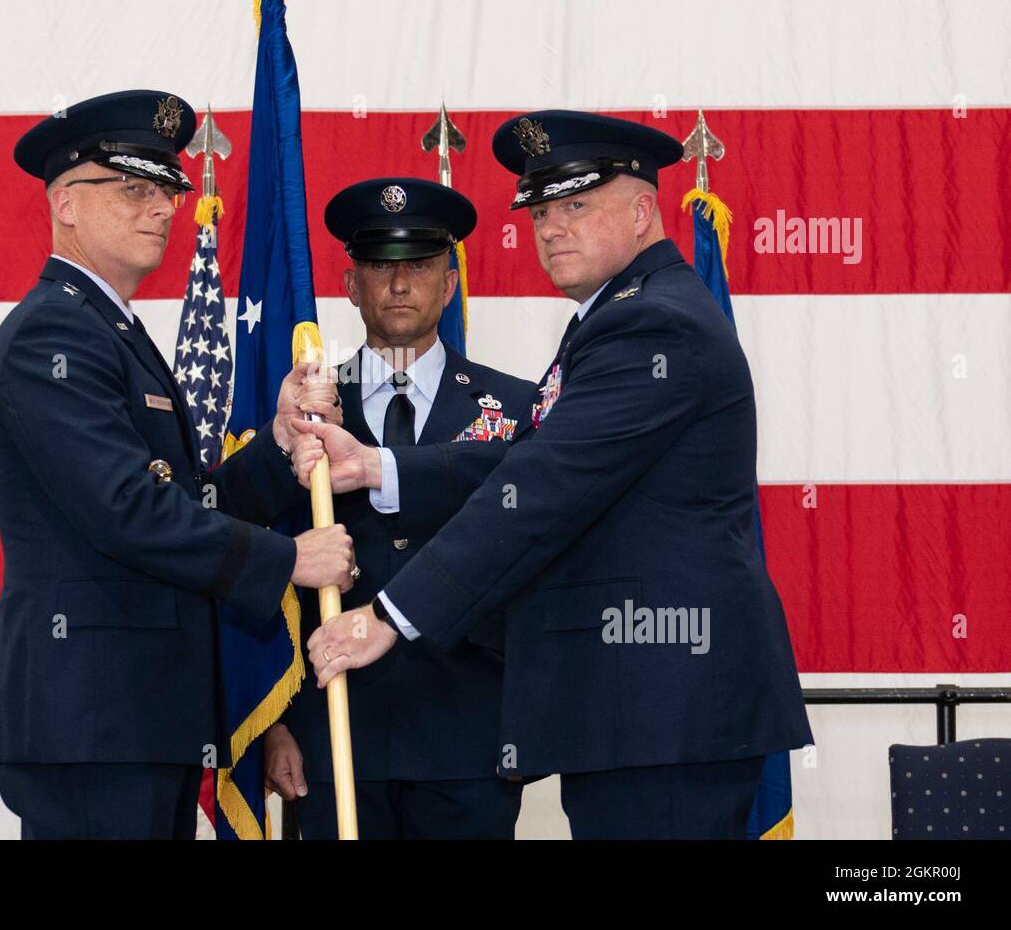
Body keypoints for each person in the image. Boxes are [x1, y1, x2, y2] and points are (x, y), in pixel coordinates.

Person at [294, 111, 813, 840]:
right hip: (635, 711)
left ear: (642, 212)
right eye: (540, 212)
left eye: (575, 205)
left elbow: (538, 490)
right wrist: (379, 465)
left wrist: (388, 617)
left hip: (662, 708)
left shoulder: (652, 325)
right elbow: (530, 459)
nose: (551, 228)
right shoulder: (617, 317)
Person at [0, 90, 354, 839]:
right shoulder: (54, 332)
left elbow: (189, 496)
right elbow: (126, 509)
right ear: (66, 204)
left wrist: (275, 447)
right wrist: (287, 559)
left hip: (139, 712)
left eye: (168, 190)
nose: (164, 208)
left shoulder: (109, 330)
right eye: (134, 188)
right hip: (92, 718)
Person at [264, 178, 536, 839]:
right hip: (334, 730)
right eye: (381, 266)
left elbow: (529, 557)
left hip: (469, 737)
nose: (399, 283)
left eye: (419, 265)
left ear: (449, 284)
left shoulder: (517, 411)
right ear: (352, 285)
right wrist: (273, 721)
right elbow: (264, 567)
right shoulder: (301, 409)